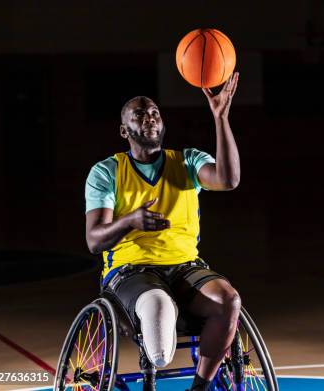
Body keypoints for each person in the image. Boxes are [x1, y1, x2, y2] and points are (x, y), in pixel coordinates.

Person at [84, 72, 240, 391]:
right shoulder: (107, 172)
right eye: (140, 114)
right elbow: (93, 240)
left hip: (185, 266)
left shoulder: (188, 162)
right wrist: (130, 221)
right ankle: (158, 352)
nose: (150, 118)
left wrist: (220, 117)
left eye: (155, 112)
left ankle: (199, 387)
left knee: (229, 300)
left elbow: (228, 179)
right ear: (124, 130)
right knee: (158, 307)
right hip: (130, 271)